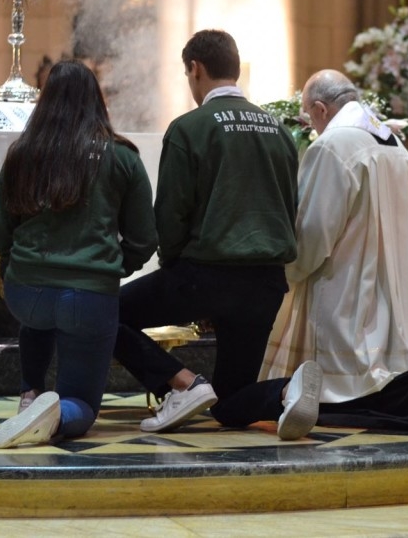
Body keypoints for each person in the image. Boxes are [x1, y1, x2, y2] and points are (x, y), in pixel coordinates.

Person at [112, 29, 320, 440]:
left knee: (106, 313)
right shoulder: (279, 130)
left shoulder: (189, 127)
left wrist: (178, 273)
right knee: (229, 404)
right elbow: (290, 204)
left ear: (195, 69)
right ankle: (286, 392)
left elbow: (171, 213)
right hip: (266, 282)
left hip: (204, 274)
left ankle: (182, 385)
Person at [259, 70, 408, 432]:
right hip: (391, 291)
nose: (311, 126)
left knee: (340, 396)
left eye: (308, 116)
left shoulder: (332, 146)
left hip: (344, 290)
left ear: (320, 109)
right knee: (382, 376)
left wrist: (286, 271)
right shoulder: (394, 144)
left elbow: (314, 232)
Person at [0, 60, 157, 448]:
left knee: (40, 319)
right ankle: (56, 413)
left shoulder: (22, 152)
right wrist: (112, 268)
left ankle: (30, 392)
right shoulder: (121, 155)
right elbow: (144, 238)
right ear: (97, 100)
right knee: (82, 404)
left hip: (26, 294)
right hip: (88, 295)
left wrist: (22, 266)